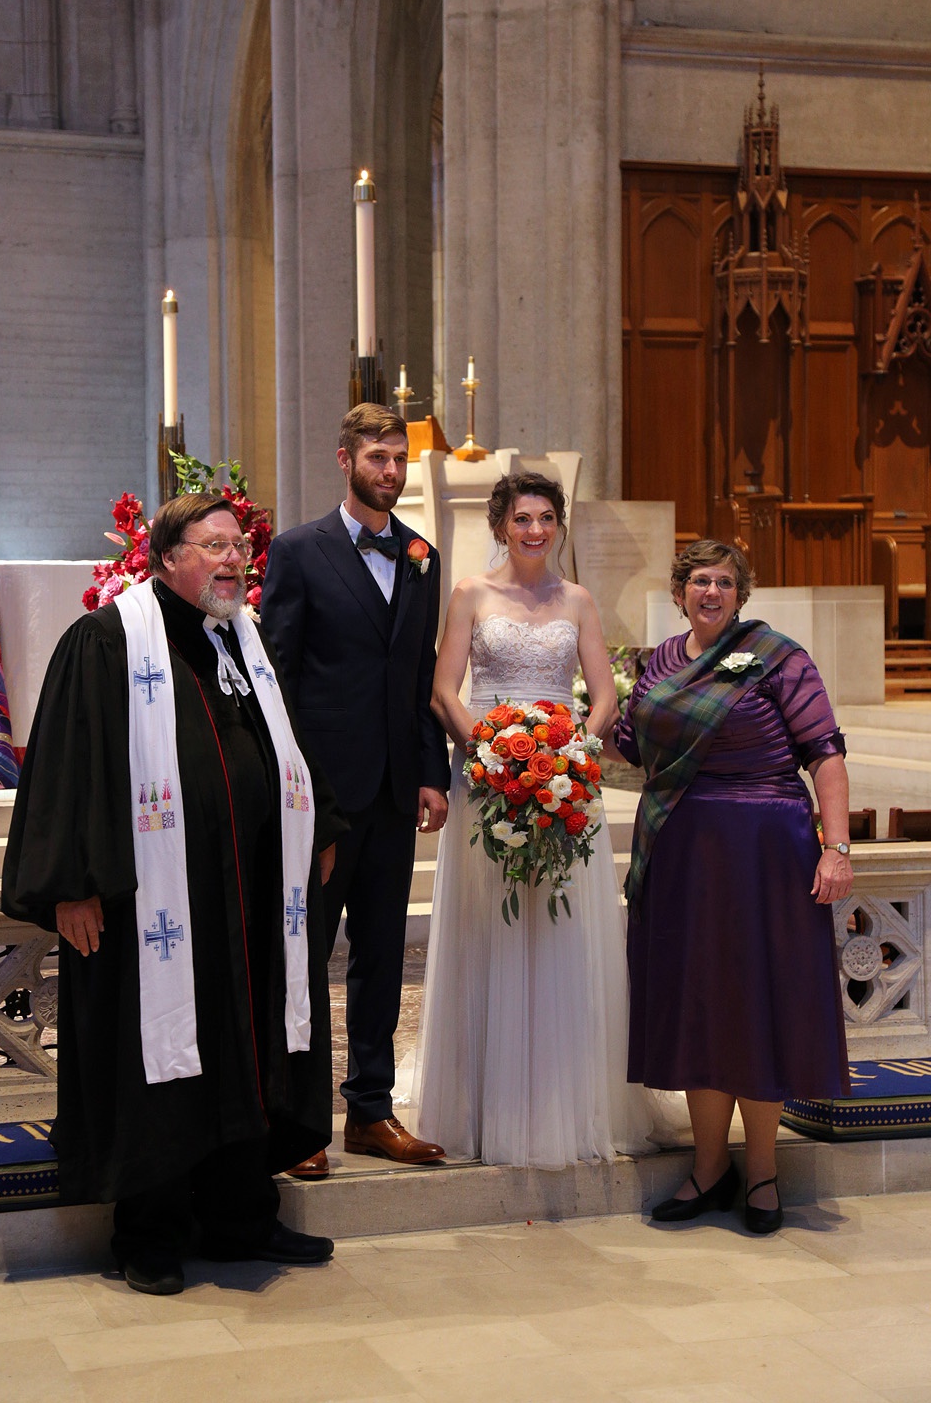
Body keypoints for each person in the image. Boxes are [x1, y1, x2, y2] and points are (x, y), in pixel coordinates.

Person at [2, 493, 346, 1295]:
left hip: (250, 893)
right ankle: (149, 1233)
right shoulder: (108, 642)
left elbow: (288, 744)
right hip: (150, 903)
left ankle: (240, 1217)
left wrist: (318, 825)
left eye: (240, 546)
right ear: (166, 557)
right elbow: (66, 770)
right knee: (160, 1059)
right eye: (215, 545)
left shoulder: (243, 642)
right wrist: (72, 887)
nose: (234, 560)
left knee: (247, 1047)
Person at [608, 539, 853, 1234]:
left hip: (764, 852)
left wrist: (834, 849)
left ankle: (765, 1172)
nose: (710, 592)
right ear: (680, 591)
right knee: (700, 1003)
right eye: (697, 581)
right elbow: (629, 744)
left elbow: (825, 756)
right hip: (682, 849)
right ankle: (709, 1169)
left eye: (722, 583)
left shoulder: (779, 657)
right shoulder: (656, 662)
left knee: (756, 1004)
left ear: (740, 594)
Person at [410, 471, 653, 1167]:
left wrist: (574, 749)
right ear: (500, 525)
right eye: (522, 518)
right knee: (490, 926)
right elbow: (443, 688)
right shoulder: (470, 594)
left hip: (562, 781)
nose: (535, 530)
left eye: (546, 518)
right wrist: (486, 751)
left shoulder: (577, 600)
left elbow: (604, 694)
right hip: (489, 779)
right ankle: (488, 1103)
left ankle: (560, 1096)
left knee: (558, 927)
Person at [259, 403, 451, 1172]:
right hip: (321, 797)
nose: (391, 471)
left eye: (399, 459)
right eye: (377, 458)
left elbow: (418, 677)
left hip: (396, 792)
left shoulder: (421, 556)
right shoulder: (299, 552)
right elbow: (278, 677)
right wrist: (301, 793)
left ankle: (371, 1111)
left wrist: (432, 773)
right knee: (303, 954)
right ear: (345, 461)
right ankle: (295, 1120)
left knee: (380, 954)